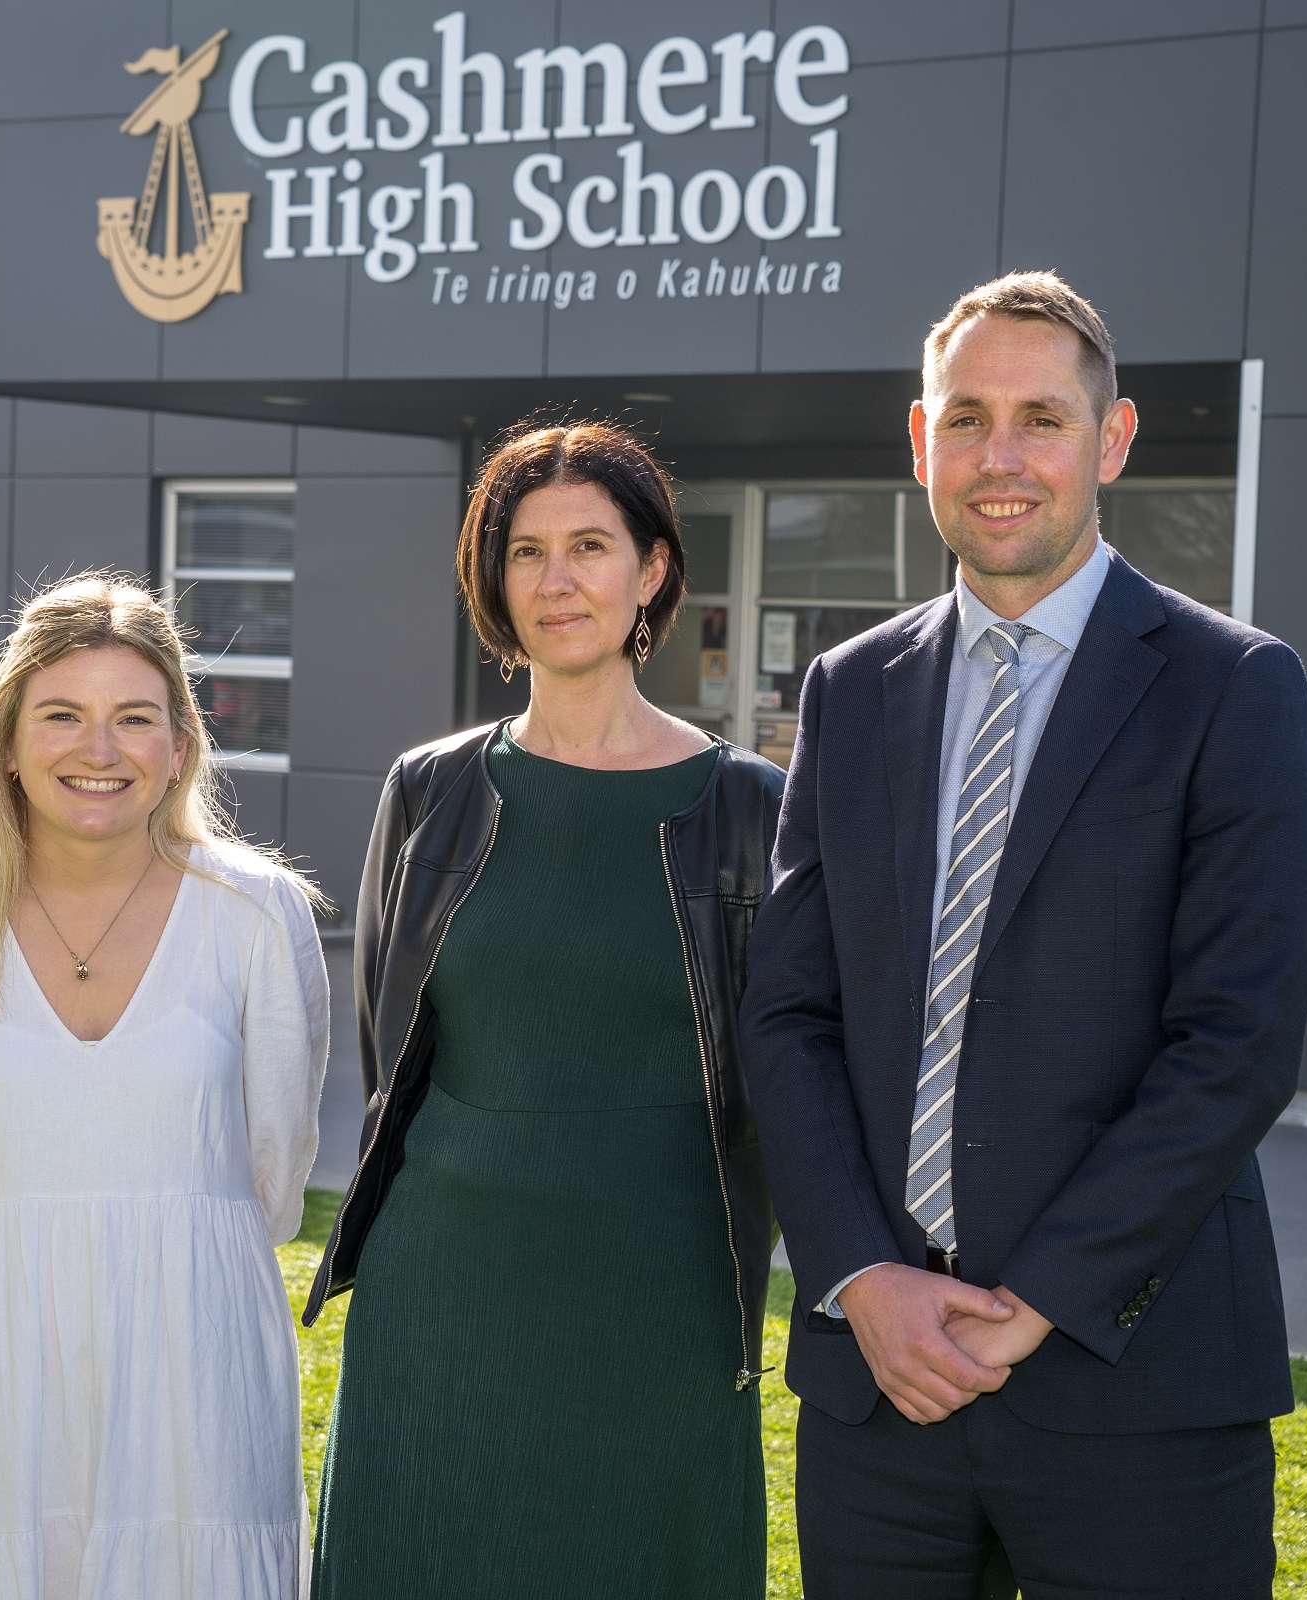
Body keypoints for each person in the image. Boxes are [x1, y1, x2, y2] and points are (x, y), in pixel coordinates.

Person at [739, 271, 1307, 1598]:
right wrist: (860, 1277)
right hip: (879, 1390)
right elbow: (789, 1013)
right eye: (966, 417)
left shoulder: (1233, 687)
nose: (998, 457)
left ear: (1110, 441)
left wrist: (1040, 1299)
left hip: (1137, 1384)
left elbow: (1236, 1041)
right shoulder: (849, 690)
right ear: (920, 440)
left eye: (1040, 419)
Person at [302, 421, 786, 1599]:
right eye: (525, 551)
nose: (556, 580)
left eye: (589, 546)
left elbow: (783, 1066)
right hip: (442, 1282)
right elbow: (390, 1042)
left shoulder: (751, 808)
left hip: (661, 1281)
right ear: (493, 577)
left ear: (651, 570)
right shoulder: (430, 789)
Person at [0, 573, 330, 1599]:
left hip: (199, 1349)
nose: (100, 749)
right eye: (63, 715)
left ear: (180, 745)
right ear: (6, 739)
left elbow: (275, 1166)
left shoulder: (257, 914)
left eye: (135, 718)